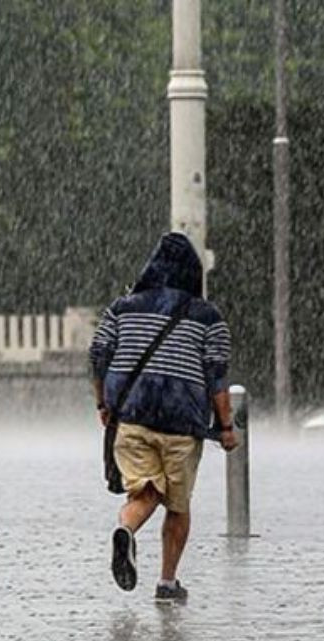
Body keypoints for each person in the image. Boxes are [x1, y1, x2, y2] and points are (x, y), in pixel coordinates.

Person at [89, 231, 237, 604]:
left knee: (146, 491)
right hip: (181, 425)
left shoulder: (122, 308)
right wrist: (226, 427)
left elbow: (98, 356)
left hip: (132, 417)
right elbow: (216, 376)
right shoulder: (208, 317)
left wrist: (103, 404)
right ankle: (168, 583)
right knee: (177, 504)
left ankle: (126, 528)